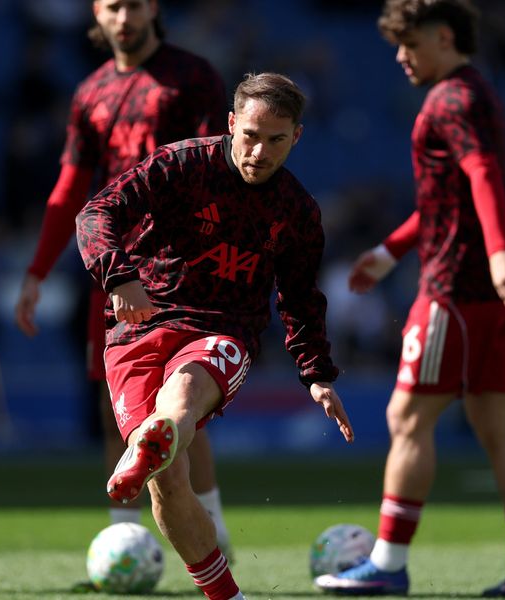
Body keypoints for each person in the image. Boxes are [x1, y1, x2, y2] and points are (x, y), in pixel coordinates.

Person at [77, 72, 355, 600]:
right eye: (250, 135)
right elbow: (97, 212)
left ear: (297, 137)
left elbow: (299, 298)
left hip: (222, 332)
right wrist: (120, 278)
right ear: (231, 124)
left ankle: (151, 441)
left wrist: (316, 374)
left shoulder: (298, 212)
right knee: (170, 481)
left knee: (182, 393)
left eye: (276, 140)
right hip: (139, 325)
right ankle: (227, 594)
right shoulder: (181, 164)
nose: (259, 152)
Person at [317, 0, 505, 595]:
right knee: (499, 427)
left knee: (407, 417)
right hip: (492, 296)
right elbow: (449, 195)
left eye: (410, 44)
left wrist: (499, 252)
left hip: (456, 289)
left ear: (444, 36)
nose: (400, 57)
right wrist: (392, 250)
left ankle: (389, 566)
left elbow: (482, 176)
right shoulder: (477, 91)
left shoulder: (451, 98)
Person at [12, 0, 236, 552]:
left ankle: (213, 527)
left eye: (134, 5)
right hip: (110, 267)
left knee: (182, 401)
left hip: (178, 268)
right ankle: (127, 533)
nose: (123, 17)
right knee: (116, 397)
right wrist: (38, 270)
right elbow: (69, 189)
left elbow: (222, 168)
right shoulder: (90, 93)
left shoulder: (192, 77)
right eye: (113, 6)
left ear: (154, 8)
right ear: (97, 12)